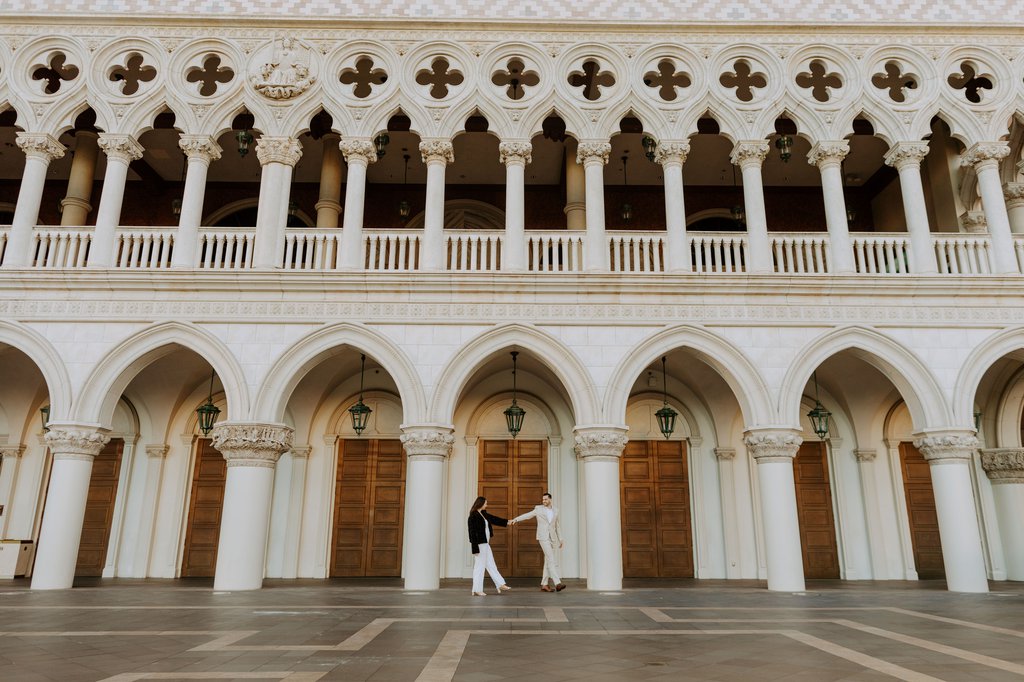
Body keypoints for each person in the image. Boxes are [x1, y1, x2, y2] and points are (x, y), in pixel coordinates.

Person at [510, 492, 565, 592]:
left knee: (547, 561)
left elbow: (557, 526)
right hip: (543, 537)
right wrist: (516, 519)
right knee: (551, 559)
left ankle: (544, 584)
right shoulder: (538, 509)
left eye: (545, 499)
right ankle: (557, 583)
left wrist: (560, 539)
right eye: (543, 499)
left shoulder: (556, 510)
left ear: (550, 500)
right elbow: (528, 515)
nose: (544, 501)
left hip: (552, 538)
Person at [467, 496, 512, 596]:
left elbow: (494, 519)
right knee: (480, 567)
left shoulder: (483, 514)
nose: (486, 505)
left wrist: (507, 522)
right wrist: (475, 548)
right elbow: (472, 533)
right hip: (479, 545)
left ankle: (500, 584)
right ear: (480, 503)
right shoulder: (473, 516)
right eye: (485, 503)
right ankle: (477, 589)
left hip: (485, 544)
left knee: (491, 565)